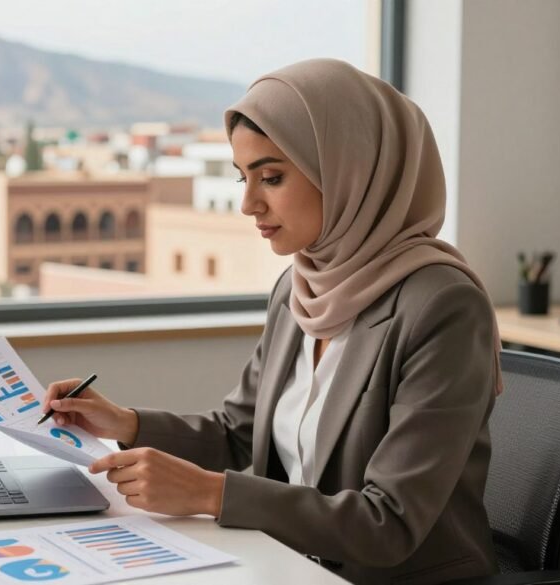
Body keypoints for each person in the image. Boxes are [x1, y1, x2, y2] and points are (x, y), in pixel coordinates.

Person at [43, 58, 502, 585]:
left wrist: (208, 493)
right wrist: (125, 423)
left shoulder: (443, 305)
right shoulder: (300, 287)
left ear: (347, 168)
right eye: (244, 178)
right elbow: (239, 438)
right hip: (286, 564)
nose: (248, 203)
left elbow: (388, 523)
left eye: (273, 177)